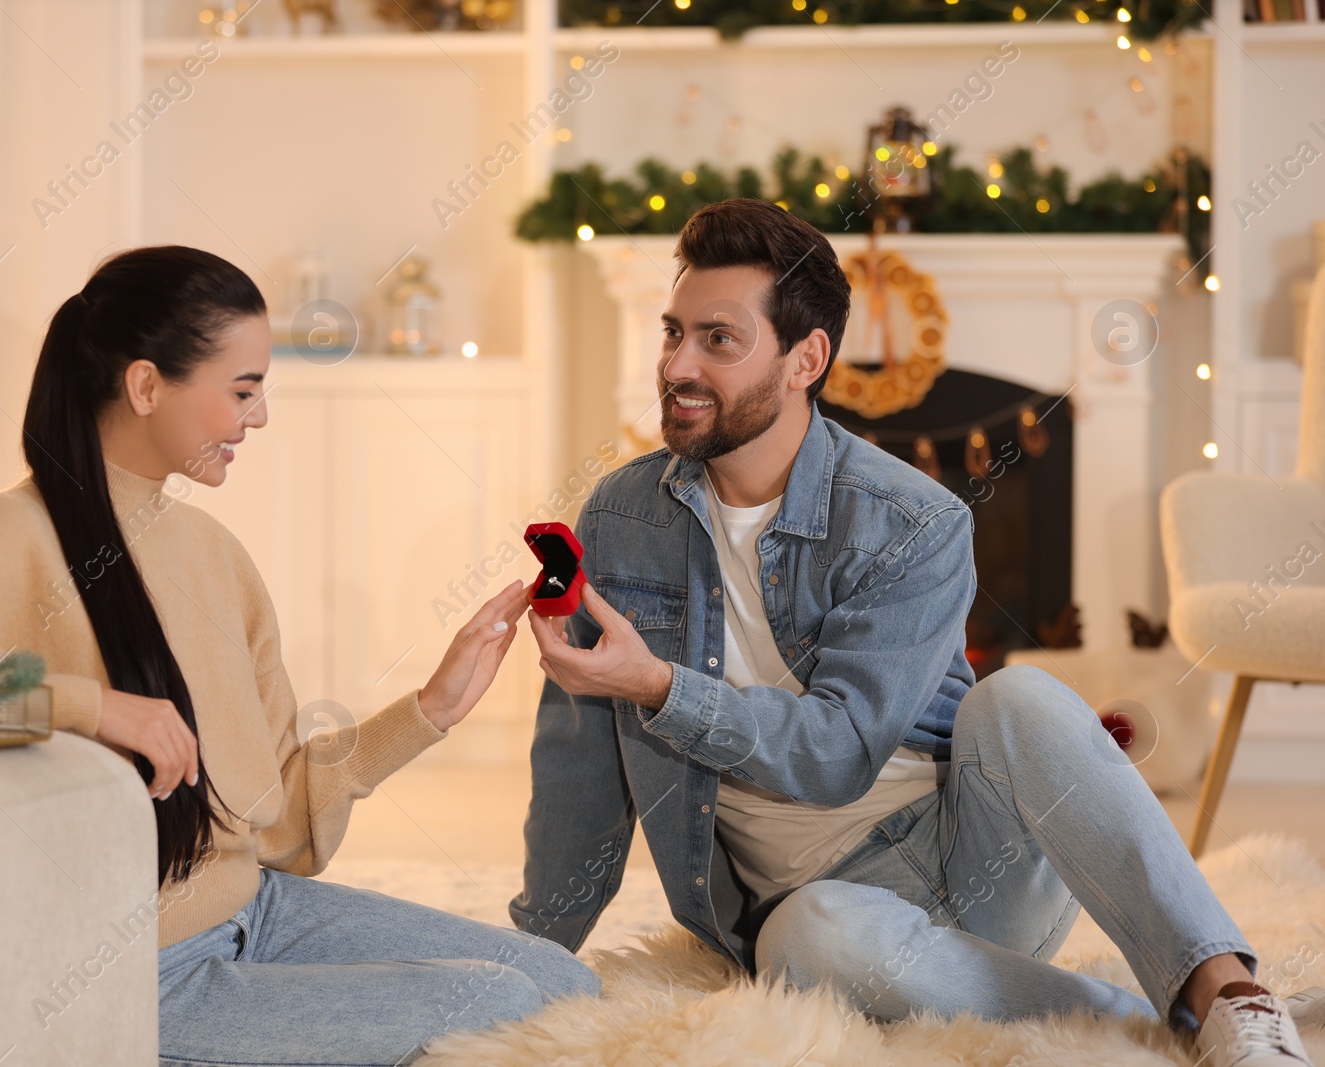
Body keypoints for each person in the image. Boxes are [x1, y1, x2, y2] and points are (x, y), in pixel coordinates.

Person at [510, 198, 1319, 1067]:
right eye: (673, 333)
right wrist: (529, 960)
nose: (677, 363)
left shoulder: (912, 519)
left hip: (969, 862)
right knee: (801, 942)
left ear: (805, 358)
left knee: (1019, 695)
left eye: (718, 338)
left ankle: (1228, 992)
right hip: (813, 911)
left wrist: (663, 689)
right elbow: (577, 758)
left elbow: (838, 753)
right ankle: (1131, 1017)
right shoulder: (623, 515)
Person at [0, 245, 599, 1066]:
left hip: (257, 908)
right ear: (144, 386)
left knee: (562, 984)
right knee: (498, 1004)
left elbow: (276, 820)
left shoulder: (215, 553)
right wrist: (88, 705)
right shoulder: (7, 536)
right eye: (243, 390)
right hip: (135, 974)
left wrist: (432, 708)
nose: (262, 416)